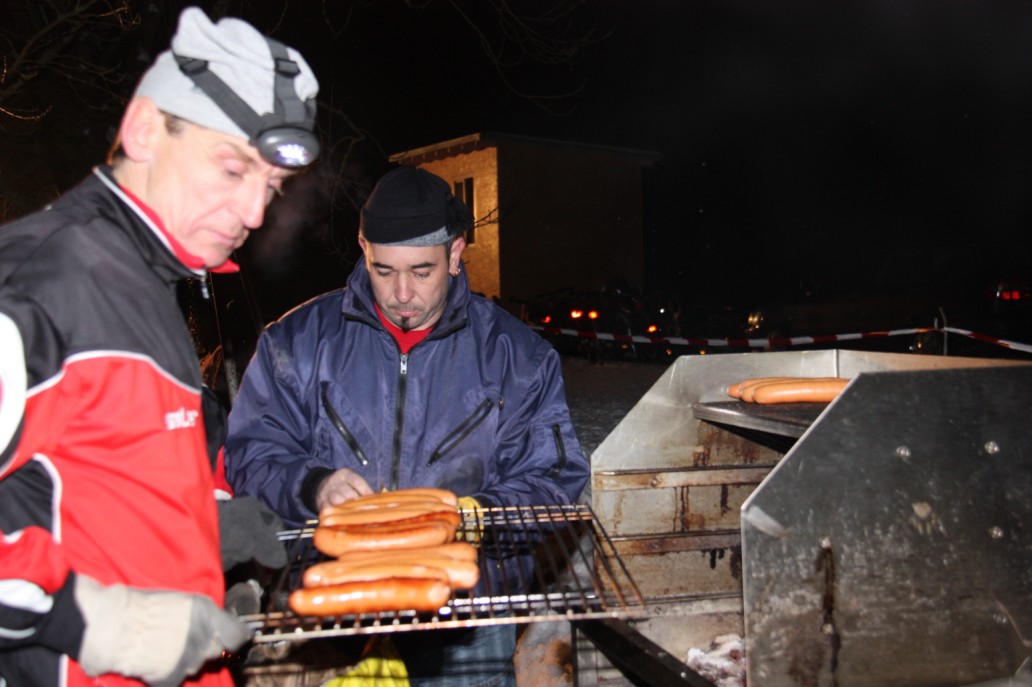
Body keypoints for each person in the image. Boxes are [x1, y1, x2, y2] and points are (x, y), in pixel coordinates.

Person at [0, 6, 320, 686]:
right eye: (232, 168)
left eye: (271, 186)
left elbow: (81, 478)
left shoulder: (149, 283)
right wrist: (100, 623)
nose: (254, 213)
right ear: (145, 128)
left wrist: (202, 527)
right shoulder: (38, 283)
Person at [224, 166, 591, 686]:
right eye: (383, 270)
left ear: (456, 254)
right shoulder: (296, 342)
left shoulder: (519, 358)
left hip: (465, 616)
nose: (401, 293)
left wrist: (474, 517)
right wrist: (313, 485)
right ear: (363, 248)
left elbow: (554, 479)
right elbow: (251, 451)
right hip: (333, 602)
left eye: (421, 272)